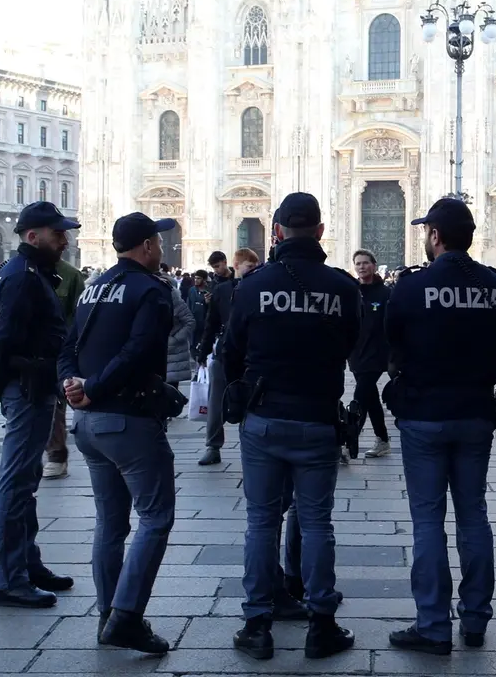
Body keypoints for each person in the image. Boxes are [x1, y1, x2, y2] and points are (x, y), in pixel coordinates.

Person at [219, 193, 360, 661]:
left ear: (276, 232)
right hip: (318, 418)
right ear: (321, 231)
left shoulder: (254, 285)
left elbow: (230, 351)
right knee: (317, 521)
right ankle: (321, 623)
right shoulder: (341, 288)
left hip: (264, 418)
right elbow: (355, 346)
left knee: (261, 521)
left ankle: (257, 625)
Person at [383, 197, 496, 655]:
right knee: (473, 513)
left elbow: (391, 342)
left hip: (424, 416)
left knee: (428, 520)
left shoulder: (412, 286)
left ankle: (434, 625)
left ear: (435, 235)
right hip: (476, 413)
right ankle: (474, 618)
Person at [58, 212, 177, 654]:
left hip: (88, 425)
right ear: (146, 246)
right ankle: (127, 617)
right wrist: (97, 388)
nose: (161, 249)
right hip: (128, 420)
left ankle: (108, 613)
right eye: (158, 243)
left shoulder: (93, 288)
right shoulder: (150, 290)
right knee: (155, 516)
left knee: (110, 522)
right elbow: (137, 351)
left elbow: (67, 346)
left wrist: (73, 387)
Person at [0, 201, 79, 609]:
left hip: (30, 385)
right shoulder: (22, 278)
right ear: (33, 236)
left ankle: (27, 564)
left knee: (26, 482)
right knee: (16, 484)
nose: (64, 239)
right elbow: (6, 338)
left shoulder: (21, 272)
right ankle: (8, 579)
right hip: (28, 387)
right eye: (57, 233)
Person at [196, 248, 260, 466]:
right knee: (216, 401)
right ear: (236, 266)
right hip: (224, 351)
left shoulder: (259, 290)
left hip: (251, 354)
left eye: (255, 267)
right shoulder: (223, 291)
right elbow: (211, 323)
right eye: (248, 267)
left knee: (252, 400)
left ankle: (250, 443)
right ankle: (213, 446)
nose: (252, 271)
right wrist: (203, 351)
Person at [43, 258, 86, 480]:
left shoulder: (70, 276)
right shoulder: (15, 271)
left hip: (58, 353)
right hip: (24, 355)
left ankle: (56, 455)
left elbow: (81, 320)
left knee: (55, 405)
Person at [349, 249, 392, 460]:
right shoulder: (352, 291)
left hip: (377, 353)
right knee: (370, 397)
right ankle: (382, 439)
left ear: (374, 265)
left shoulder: (386, 293)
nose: (362, 267)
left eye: (366, 263)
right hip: (356, 352)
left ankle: (349, 442)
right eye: (358, 263)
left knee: (360, 397)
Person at [166, 283, 196, 389]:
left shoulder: (171, 295)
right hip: (152, 357)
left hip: (173, 356)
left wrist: (175, 339)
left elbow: (190, 321)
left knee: (171, 395)